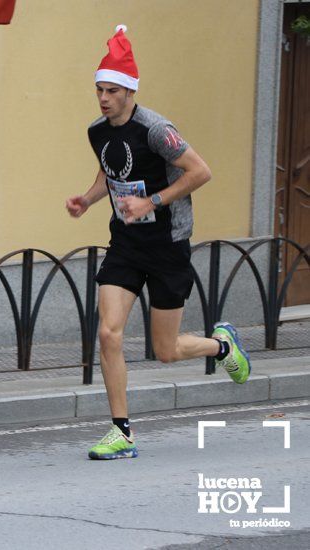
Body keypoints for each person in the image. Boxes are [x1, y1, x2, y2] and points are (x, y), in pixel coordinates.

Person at [65, 25, 251, 460]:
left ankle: (222, 346)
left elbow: (200, 171)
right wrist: (89, 199)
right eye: (99, 90)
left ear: (130, 92)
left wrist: (151, 200)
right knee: (109, 334)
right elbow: (109, 171)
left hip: (168, 244)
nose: (104, 98)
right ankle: (121, 433)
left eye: (112, 90)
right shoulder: (98, 131)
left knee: (166, 351)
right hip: (126, 243)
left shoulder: (156, 130)